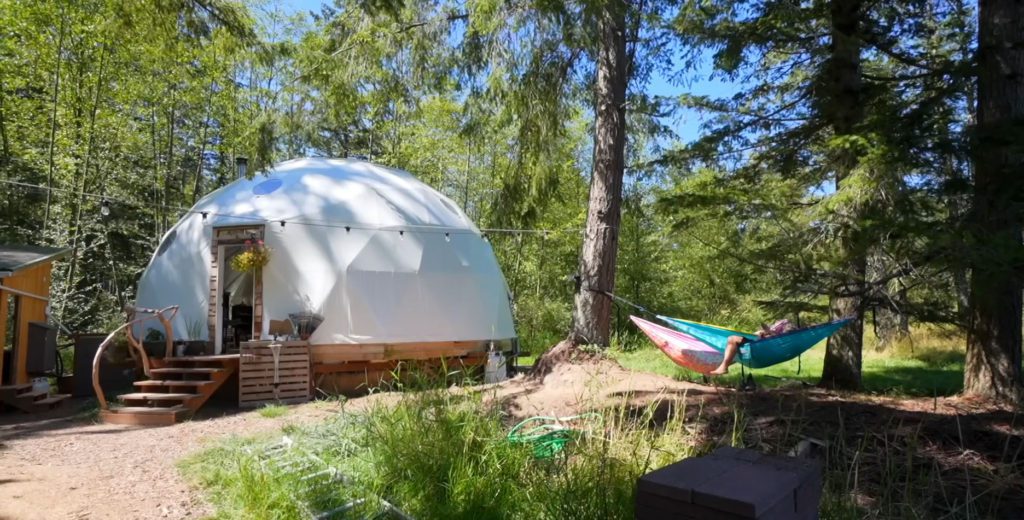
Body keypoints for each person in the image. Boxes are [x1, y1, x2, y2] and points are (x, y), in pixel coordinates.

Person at [709, 319, 794, 375]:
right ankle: (720, 366)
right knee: (732, 341)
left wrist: (770, 333)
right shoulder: (779, 323)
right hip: (760, 342)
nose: (776, 322)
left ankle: (723, 367)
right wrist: (763, 332)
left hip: (764, 345)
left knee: (732, 339)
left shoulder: (786, 323)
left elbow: (784, 338)